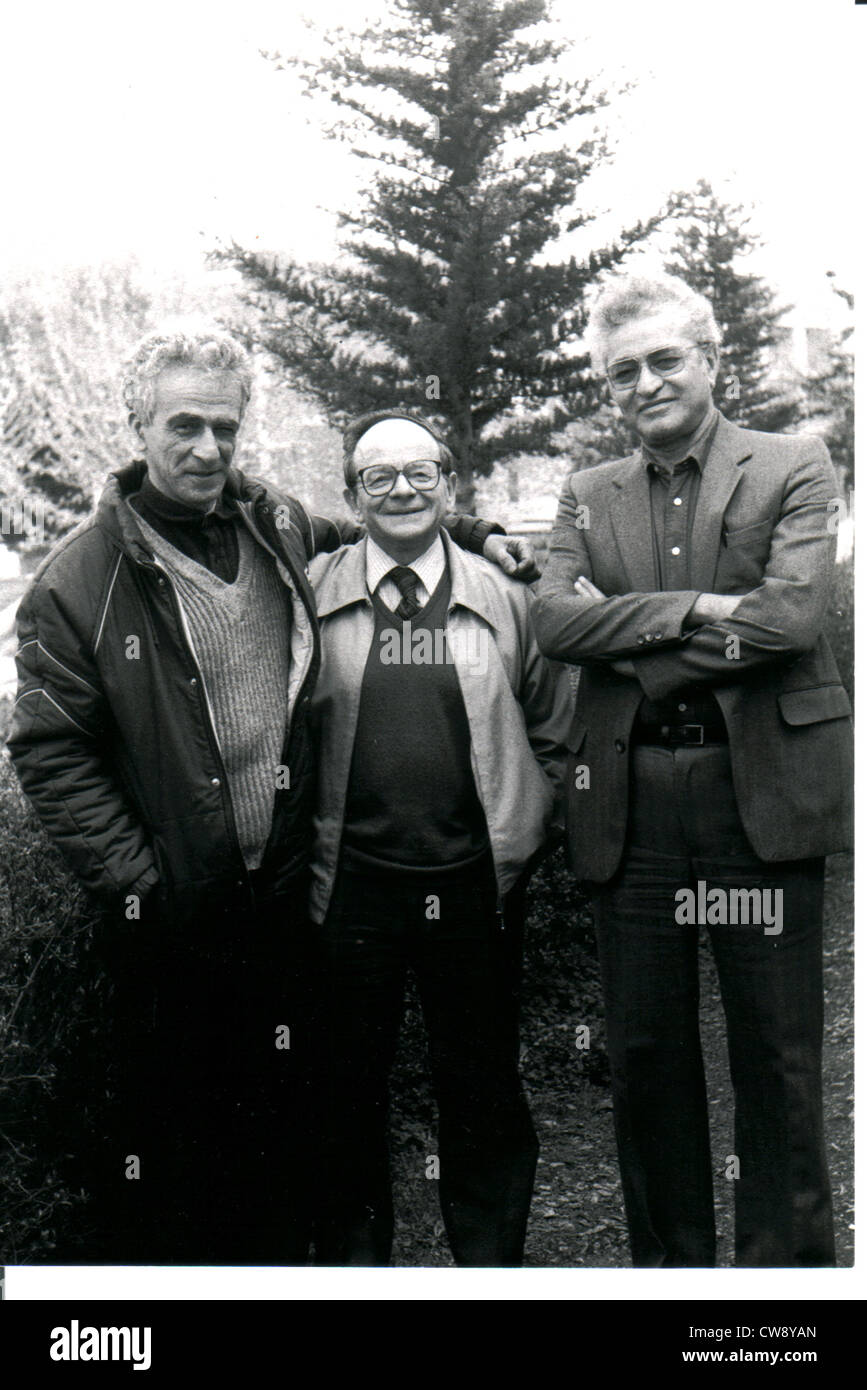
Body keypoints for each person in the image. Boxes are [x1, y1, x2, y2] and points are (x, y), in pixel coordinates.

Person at [5, 325, 536, 1265]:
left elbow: (388, 517)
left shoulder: (273, 525)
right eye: (184, 426)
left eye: (225, 426)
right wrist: (146, 885)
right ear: (136, 424)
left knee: (301, 1128)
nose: (207, 448)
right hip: (180, 914)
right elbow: (51, 753)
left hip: (293, 899)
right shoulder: (77, 584)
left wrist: (478, 530)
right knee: (183, 1149)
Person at [532, 272, 852, 1268]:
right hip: (632, 810)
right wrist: (706, 609)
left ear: (710, 359)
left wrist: (627, 630)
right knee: (649, 1060)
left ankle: (784, 1295)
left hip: (757, 793)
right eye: (621, 371)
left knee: (778, 1059)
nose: (645, 382)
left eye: (666, 358)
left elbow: (793, 616)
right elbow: (551, 619)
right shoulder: (588, 493)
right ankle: (671, 1287)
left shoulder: (794, 462)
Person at [307, 410, 571, 1265]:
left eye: (421, 473)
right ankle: (357, 1276)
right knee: (343, 1097)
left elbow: (554, 722)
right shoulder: (309, 589)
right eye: (378, 477)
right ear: (351, 497)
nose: (401, 490)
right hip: (349, 888)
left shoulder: (507, 592)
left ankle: (487, 1271)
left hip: (476, 886)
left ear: (450, 486)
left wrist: (533, 825)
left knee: (485, 1091)